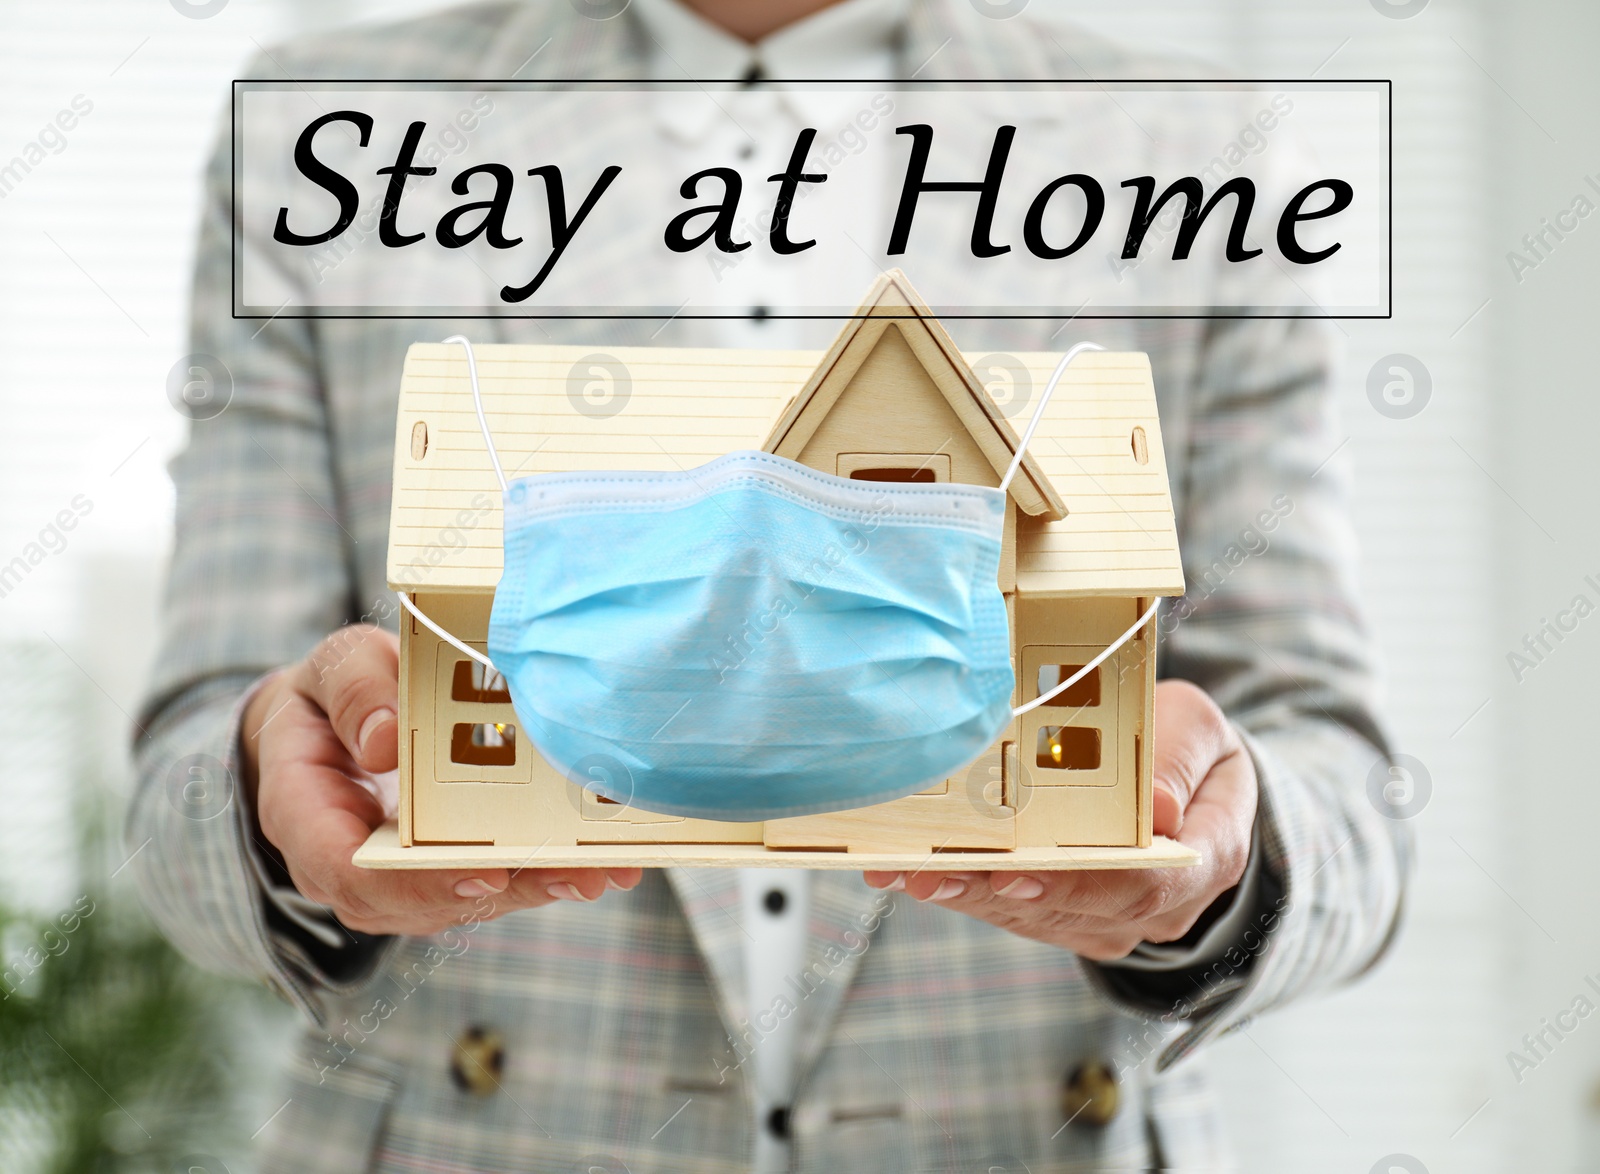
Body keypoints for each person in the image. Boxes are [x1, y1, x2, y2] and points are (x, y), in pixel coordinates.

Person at [130, 1, 1408, 1170]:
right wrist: (263, 785)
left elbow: (1351, 791)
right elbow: (183, 784)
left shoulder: (1191, 153)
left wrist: (1218, 867)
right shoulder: (324, 138)